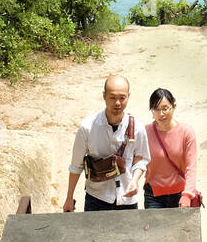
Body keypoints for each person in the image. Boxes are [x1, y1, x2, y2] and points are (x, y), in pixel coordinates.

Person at [64, 75, 150, 211]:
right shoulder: (88, 127)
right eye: (112, 97)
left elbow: (142, 160)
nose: (117, 103)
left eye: (122, 98)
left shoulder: (138, 128)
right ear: (104, 96)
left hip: (127, 199)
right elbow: (76, 166)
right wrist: (69, 197)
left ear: (128, 96)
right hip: (96, 198)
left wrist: (134, 181)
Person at [144, 88, 199, 209]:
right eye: (156, 109)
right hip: (153, 195)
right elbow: (137, 161)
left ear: (174, 106)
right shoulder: (145, 133)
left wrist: (187, 195)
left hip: (180, 194)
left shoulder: (186, 132)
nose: (161, 114)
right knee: (154, 228)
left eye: (165, 108)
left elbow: (191, 167)